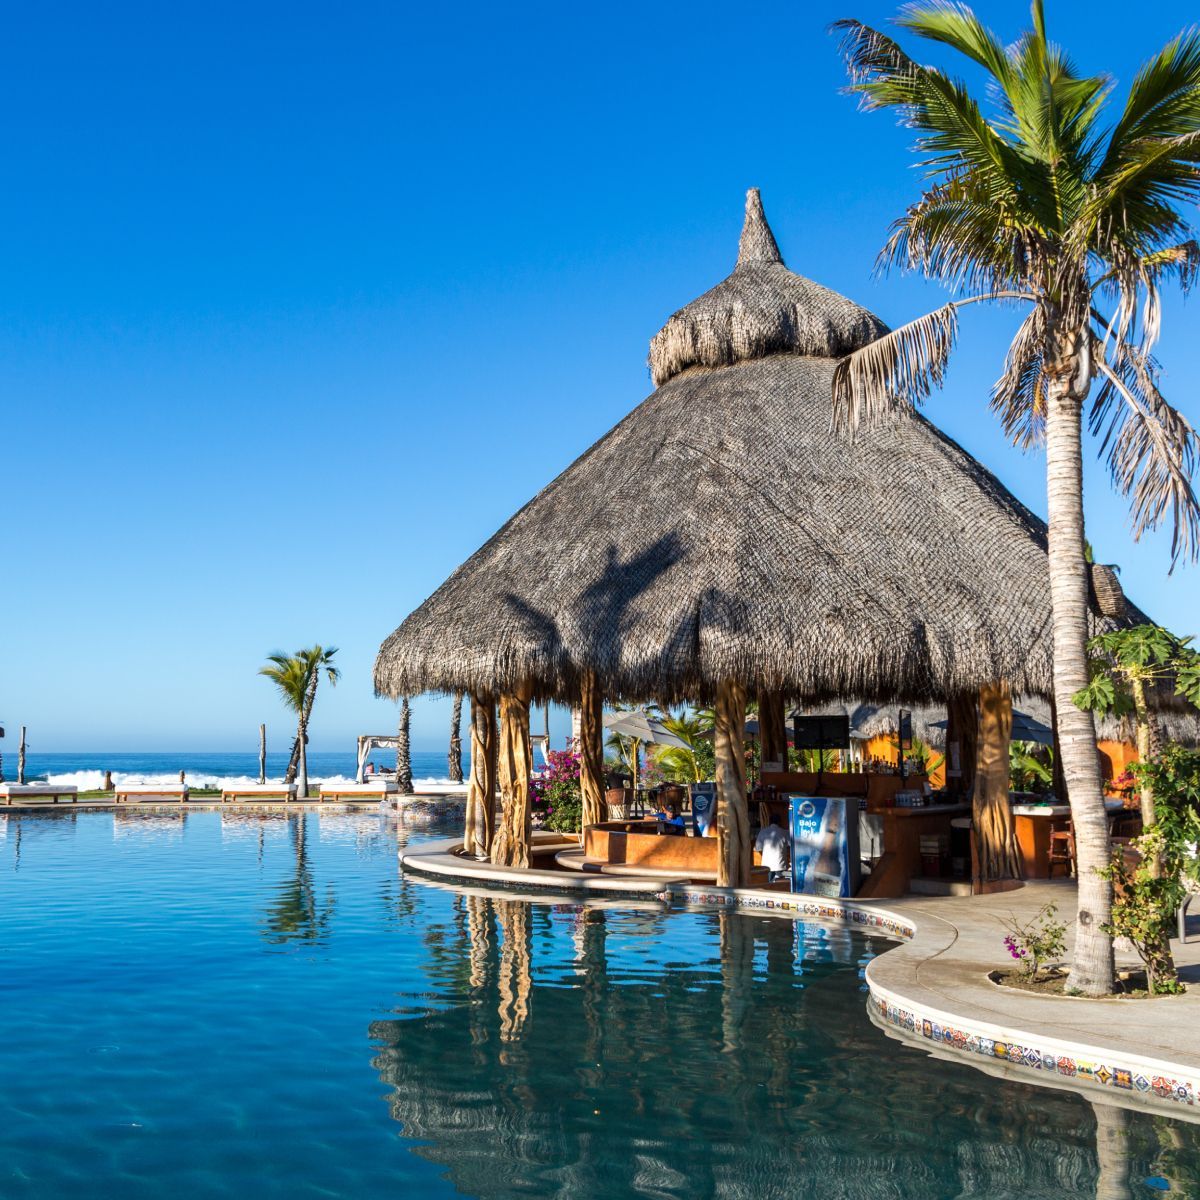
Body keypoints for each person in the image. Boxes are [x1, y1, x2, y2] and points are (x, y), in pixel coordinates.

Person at [755, 815, 790, 882]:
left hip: (767, 865)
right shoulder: (784, 832)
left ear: (769, 822)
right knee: (780, 884)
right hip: (780, 865)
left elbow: (758, 848)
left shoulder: (763, 832)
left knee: (769, 885)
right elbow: (791, 844)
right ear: (779, 822)